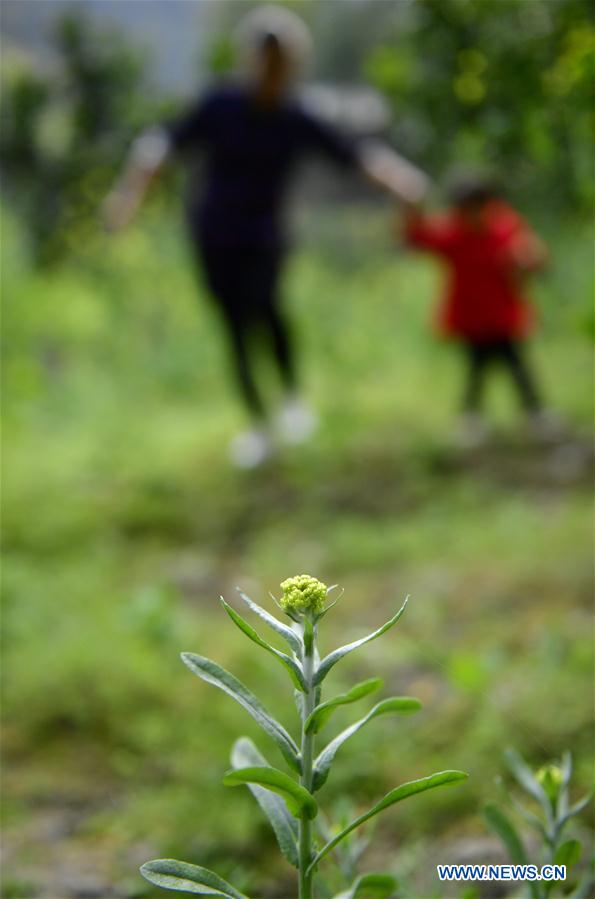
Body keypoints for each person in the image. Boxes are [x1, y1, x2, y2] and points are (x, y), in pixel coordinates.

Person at [103, 5, 428, 468]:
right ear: (250, 59)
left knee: (268, 307)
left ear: (294, 64)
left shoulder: (295, 116)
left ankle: (293, 402)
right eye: (265, 56)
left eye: (282, 58)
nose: (272, 67)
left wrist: (400, 181)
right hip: (214, 234)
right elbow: (161, 144)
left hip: (264, 234)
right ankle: (259, 425)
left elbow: (353, 153)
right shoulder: (220, 106)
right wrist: (128, 195)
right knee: (235, 326)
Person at [401, 175, 557, 446]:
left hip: (502, 315)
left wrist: (529, 261)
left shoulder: (506, 227)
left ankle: (534, 414)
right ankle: (473, 419)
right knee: (478, 367)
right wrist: (411, 206)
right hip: (471, 317)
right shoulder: (453, 233)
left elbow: (535, 259)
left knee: (516, 365)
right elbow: (416, 239)